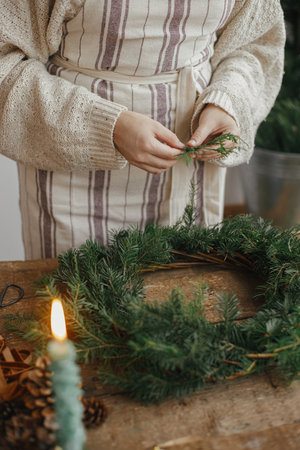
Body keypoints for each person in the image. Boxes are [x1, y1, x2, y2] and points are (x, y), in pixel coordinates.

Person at [0, 0, 285, 259]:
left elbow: (256, 42)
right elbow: (5, 62)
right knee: (76, 307)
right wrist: (108, 127)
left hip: (190, 179)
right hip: (69, 186)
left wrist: (226, 102)